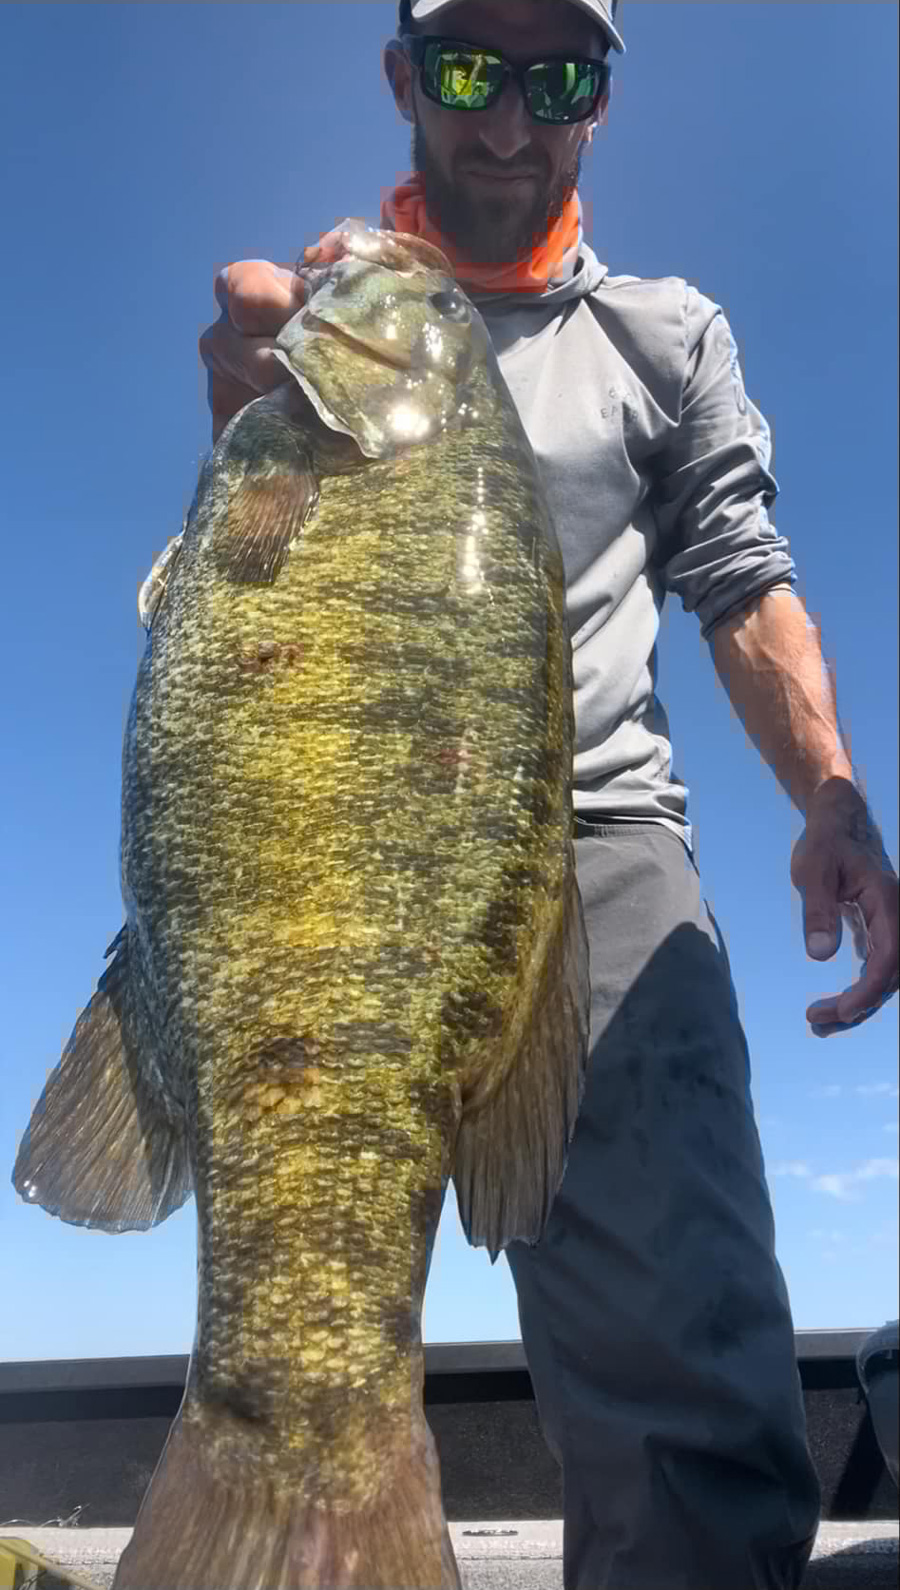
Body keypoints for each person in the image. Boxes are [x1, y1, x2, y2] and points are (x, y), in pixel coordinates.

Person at [199, 2, 900, 1585]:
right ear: (401, 83)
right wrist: (241, 420)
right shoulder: (320, 320)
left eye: (557, 78)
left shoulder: (665, 333)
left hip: (594, 841)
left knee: (688, 1362)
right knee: (290, 1300)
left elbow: (741, 576)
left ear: (602, 101)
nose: (510, 121)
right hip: (330, 851)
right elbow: (242, 608)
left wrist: (834, 798)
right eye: (465, 72)